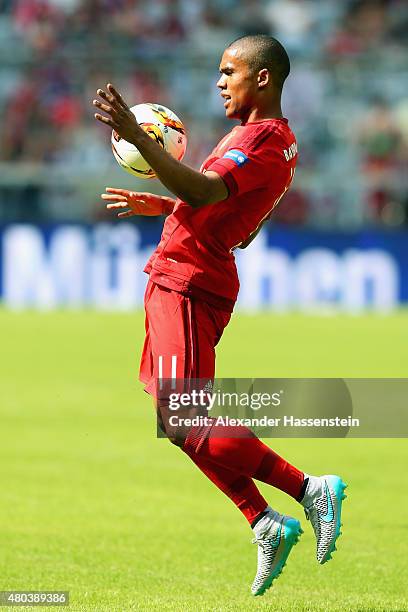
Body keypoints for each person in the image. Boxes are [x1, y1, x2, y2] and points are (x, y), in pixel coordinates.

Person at [92, 34, 347, 597]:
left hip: (188, 282)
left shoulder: (260, 139)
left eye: (228, 70)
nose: (219, 80)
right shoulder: (272, 143)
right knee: (177, 422)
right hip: (184, 277)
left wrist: (137, 136)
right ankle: (262, 521)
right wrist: (163, 204)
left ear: (263, 78)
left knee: (187, 420)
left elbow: (208, 194)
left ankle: (307, 490)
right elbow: (241, 224)